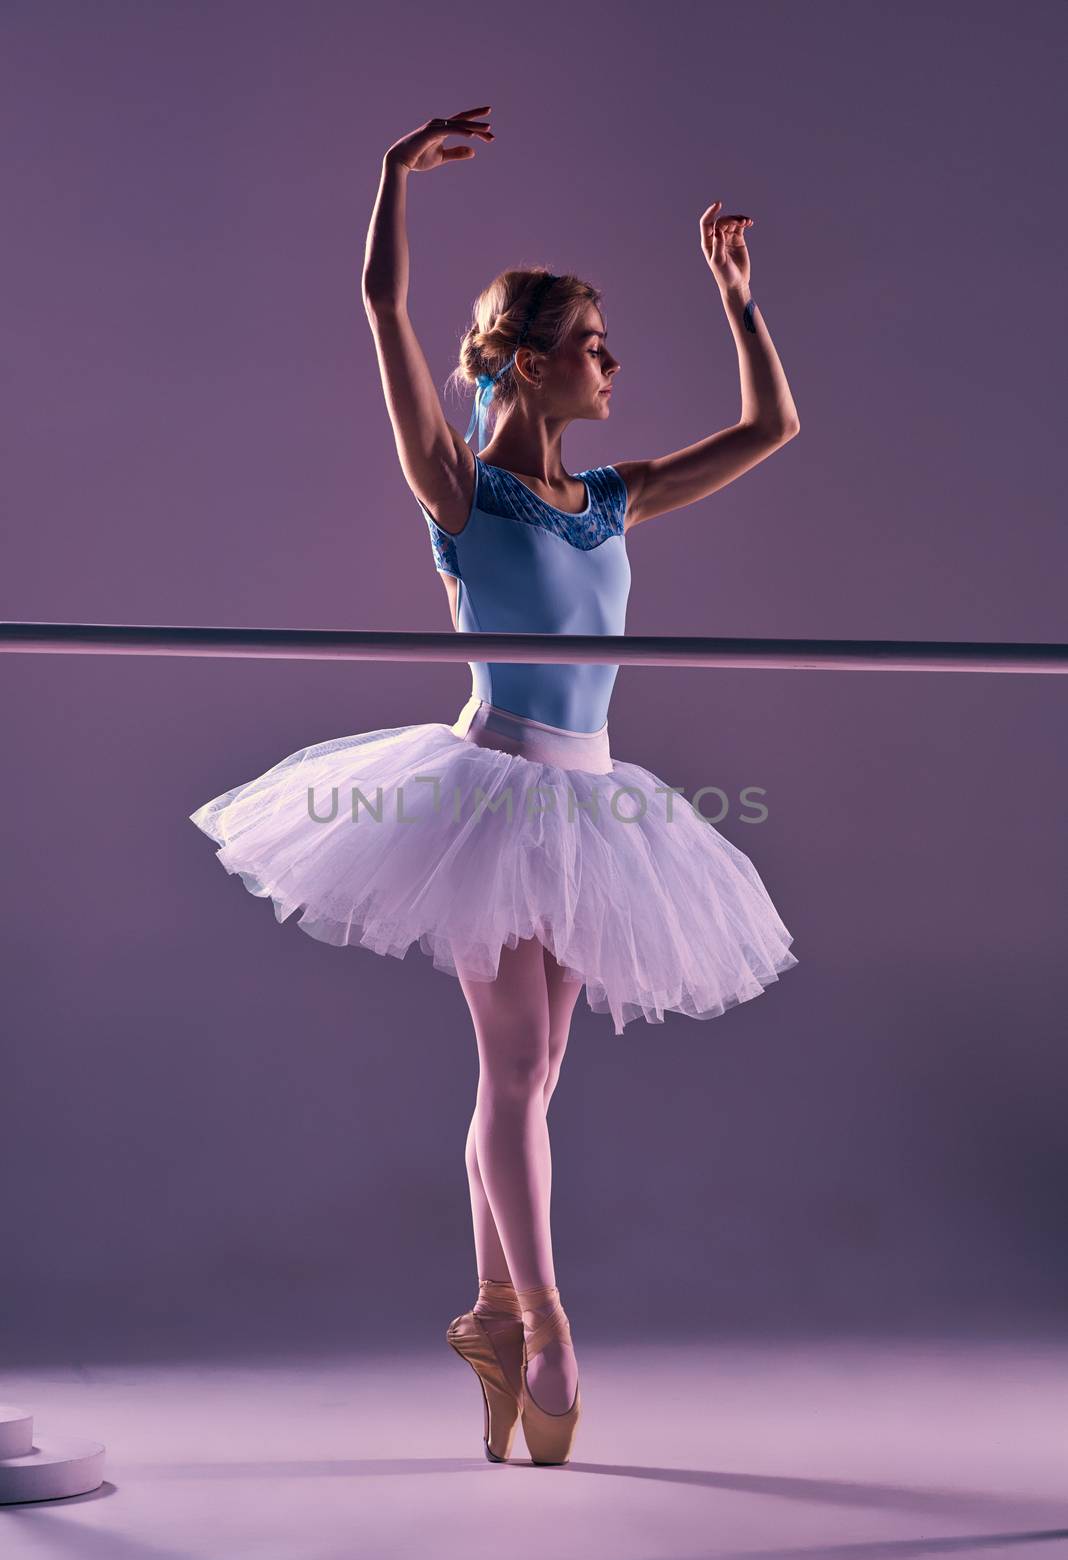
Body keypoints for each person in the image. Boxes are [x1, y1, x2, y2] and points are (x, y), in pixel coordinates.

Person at [189, 106, 801, 1467]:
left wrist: (737, 302)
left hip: (594, 807)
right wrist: (391, 177)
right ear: (526, 364)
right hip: (494, 790)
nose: (610, 363)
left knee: (533, 1075)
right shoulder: (458, 490)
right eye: (590, 344)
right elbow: (380, 300)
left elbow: (772, 425)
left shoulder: (616, 498)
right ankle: (550, 1328)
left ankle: (484, 1314)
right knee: (517, 1075)